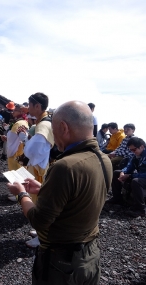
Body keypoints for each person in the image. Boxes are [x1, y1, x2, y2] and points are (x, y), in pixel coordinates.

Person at [8, 100, 112, 285]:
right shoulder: (103, 159)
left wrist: (21, 193)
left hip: (62, 263)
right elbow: (78, 198)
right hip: (89, 255)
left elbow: (39, 221)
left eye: (54, 131)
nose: (53, 137)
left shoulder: (65, 166)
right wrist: (42, 190)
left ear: (63, 127)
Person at [17, 92, 54, 248]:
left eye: (30, 105)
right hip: (40, 165)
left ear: (37, 106)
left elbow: (32, 151)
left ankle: (42, 236)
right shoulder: (44, 123)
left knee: (39, 201)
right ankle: (40, 232)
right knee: (38, 199)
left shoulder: (43, 126)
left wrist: (24, 138)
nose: (28, 108)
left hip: (39, 168)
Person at [107, 137, 146, 217]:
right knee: (116, 173)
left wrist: (130, 175)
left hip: (143, 177)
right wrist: (123, 172)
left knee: (136, 181)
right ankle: (117, 198)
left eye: (134, 149)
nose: (133, 152)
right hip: (140, 176)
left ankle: (140, 209)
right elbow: (130, 166)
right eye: (131, 150)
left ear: (142, 146)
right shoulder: (137, 155)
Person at [1, 104, 29, 201]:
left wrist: (7, 139)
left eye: (15, 110)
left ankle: (18, 193)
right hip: (19, 150)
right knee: (19, 172)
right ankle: (19, 192)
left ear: (21, 112)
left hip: (16, 152)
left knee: (16, 172)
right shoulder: (22, 122)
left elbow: (15, 139)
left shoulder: (19, 123)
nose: (13, 112)